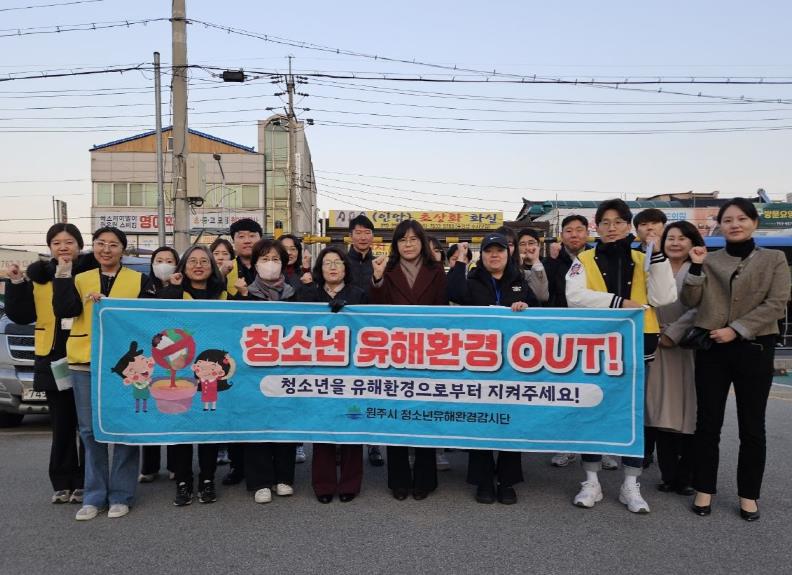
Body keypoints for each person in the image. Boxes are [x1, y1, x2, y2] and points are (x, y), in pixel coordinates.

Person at [681, 198, 791, 521]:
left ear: (754, 222)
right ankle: (704, 488)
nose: (734, 224)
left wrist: (737, 329)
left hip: (755, 348)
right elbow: (690, 300)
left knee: (752, 426)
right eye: (728, 220)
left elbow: (777, 302)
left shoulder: (774, 259)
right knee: (708, 423)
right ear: (720, 225)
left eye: (742, 218)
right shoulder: (709, 258)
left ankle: (749, 494)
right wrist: (696, 267)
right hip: (712, 349)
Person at [565, 199, 676, 514]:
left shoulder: (646, 257)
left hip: (639, 344)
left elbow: (664, 297)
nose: (611, 228)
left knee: (634, 414)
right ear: (597, 227)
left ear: (629, 226)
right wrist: (619, 303)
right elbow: (575, 297)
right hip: (595, 346)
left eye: (618, 222)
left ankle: (631, 484)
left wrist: (658, 256)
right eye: (605, 222)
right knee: (591, 408)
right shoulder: (583, 259)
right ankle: (591, 481)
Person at [53, 226, 147, 521]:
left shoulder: (138, 279)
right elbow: (64, 310)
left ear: (123, 249)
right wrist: (63, 275)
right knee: (89, 430)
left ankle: (121, 495)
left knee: (124, 427)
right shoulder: (79, 278)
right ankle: (93, 496)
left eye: (113, 244)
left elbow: (147, 318)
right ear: (93, 247)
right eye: (100, 243)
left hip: (124, 366)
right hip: (84, 361)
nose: (106, 249)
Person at [4, 223, 95, 505]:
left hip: (86, 354)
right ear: (50, 248)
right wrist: (16, 284)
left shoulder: (91, 273)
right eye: (57, 243)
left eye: (69, 242)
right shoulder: (39, 277)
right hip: (53, 356)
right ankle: (62, 481)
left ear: (79, 246)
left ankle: (86, 481)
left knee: (87, 425)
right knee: (61, 423)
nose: (63, 247)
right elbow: (21, 315)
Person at [448, 234, 539, 505]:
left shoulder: (520, 281)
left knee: (510, 421)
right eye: (489, 251)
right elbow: (452, 293)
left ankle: (507, 480)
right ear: (482, 255)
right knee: (481, 422)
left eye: (500, 250)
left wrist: (527, 308)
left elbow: (540, 312)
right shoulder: (471, 281)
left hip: (513, 365)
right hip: (478, 364)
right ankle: (484, 480)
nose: (495, 255)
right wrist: (460, 262)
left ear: (507, 254)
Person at [369, 219, 448, 501]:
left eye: (414, 239)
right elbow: (375, 310)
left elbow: (442, 310)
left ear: (422, 242)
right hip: (395, 351)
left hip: (427, 351)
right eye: (403, 240)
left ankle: (425, 479)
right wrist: (377, 280)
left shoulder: (436, 270)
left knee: (424, 414)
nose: (408, 244)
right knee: (397, 415)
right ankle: (399, 480)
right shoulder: (387, 269)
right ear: (396, 245)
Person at [155, 245, 228, 505]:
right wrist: (172, 289)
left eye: (204, 261)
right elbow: (158, 318)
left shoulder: (223, 295)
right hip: (179, 368)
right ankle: (183, 480)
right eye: (192, 261)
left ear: (212, 267)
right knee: (181, 424)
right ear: (183, 267)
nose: (198, 265)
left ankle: (207, 479)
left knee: (208, 424)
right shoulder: (174, 292)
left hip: (209, 368)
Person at [295, 246, 367, 503]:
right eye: (327, 263)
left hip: (352, 370)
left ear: (346, 268)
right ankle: (323, 484)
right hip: (319, 371)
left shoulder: (359, 295)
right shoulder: (309, 294)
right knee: (322, 425)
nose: (333, 267)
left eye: (338, 262)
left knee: (352, 424)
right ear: (320, 269)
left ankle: (350, 483)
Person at [233, 238, 298, 504]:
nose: (270, 264)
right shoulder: (244, 293)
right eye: (264, 259)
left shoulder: (295, 294)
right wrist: (241, 297)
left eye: (275, 259)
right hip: (252, 368)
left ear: (283, 264)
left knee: (284, 419)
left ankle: (284, 477)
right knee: (256, 420)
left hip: (286, 366)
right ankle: (260, 481)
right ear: (254, 263)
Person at [646, 221, 703, 497]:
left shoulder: (701, 268)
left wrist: (673, 333)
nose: (676, 243)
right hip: (657, 345)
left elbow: (702, 307)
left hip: (688, 347)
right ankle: (668, 475)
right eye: (670, 238)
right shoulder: (653, 267)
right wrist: (657, 333)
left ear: (693, 242)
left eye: (682, 238)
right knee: (661, 410)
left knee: (690, 412)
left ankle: (687, 475)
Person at [542, 214, 601, 468]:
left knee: (597, 392)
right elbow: (547, 296)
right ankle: (565, 445)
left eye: (579, 230)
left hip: (596, 335)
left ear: (587, 233)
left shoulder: (597, 258)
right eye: (569, 230)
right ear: (561, 235)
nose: (574, 234)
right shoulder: (553, 262)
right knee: (565, 394)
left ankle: (600, 446)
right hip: (562, 335)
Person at [222, 219, 262, 486]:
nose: (247, 241)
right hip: (233, 347)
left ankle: (263, 464)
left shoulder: (268, 265)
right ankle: (237, 465)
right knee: (235, 407)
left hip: (263, 348)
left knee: (260, 406)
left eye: (252, 235)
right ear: (234, 241)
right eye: (241, 236)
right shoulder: (225, 270)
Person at [138, 246, 180, 482]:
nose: (164, 264)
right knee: (151, 412)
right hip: (149, 354)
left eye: (169, 260)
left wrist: (173, 287)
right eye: (159, 260)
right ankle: (149, 467)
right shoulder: (144, 287)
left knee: (173, 410)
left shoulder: (181, 287)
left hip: (176, 356)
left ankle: (175, 464)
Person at [345, 214, 384, 467]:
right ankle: (344, 441)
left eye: (367, 232)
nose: (362, 237)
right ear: (350, 236)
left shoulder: (380, 263)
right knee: (346, 389)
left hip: (373, 336)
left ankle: (373, 443)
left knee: (372, 389)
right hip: (345, 336)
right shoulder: (341, 262)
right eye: (358, 232)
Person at [632, 208, 669, 469]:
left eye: (654, 224)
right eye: (644, 225)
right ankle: (641, 451)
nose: (650, 229)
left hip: (658, 337)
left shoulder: (661, 256)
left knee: (656, 402)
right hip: (637, 337)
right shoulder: (633, 257)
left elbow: (663, 297)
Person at [516, 228, 549, 304]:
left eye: (531, 243)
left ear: (539, 245)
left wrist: (535, 260)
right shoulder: (513, 266)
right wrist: (518, 266)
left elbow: (542, 297)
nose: (527, 248)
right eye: (522, 244)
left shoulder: (547, 264)